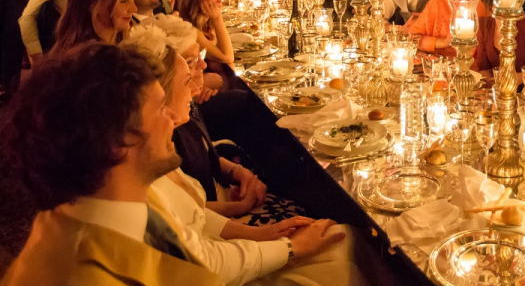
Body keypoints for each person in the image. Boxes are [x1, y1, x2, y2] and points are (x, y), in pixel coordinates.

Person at [125, 21, 360, 286]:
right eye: (187, 75)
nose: (200, 72)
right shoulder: (145, 175)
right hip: (223, 271)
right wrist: (289, 248)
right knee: (348, 252)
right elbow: (204, 259)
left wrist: (264, 233)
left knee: (344, 237)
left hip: (230, 249)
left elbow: (196, 217)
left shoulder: (157, 151)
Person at [0, 43, 223, 285]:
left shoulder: (130, 205)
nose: (171, 117)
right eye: (160, 108)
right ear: (116, 142)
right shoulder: (83, 276)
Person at [50, 0, 138, 53]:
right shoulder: (86, 59)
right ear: (94, 4)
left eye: (133, 0)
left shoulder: (129, 46)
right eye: (124, 1)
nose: (134, 9)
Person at [472, 12, 525, 84]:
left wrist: (518, 78)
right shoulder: (484, 25)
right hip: (498, 89)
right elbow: (484, 69)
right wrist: (494, 86)